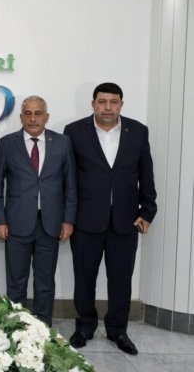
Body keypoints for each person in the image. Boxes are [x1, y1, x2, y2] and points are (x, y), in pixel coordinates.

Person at [65, 82, 157, 355]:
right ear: (93, 104)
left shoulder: (138, 131)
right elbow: (67, 178)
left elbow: (146, 173)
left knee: (121, 280)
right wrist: (67, 217)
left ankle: (118, 330)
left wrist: (147, 212)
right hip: (85, 220)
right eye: (102, 102)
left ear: (121, 104)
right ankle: (85, 327)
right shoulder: (74, 131)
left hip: (125, 221)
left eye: (113, 102)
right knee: (84, 278)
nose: (107, 107)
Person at [0, 96, 77, 326]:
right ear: (21, 117)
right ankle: (15, 327)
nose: (32, 118)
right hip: (16, 223)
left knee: (45, 282)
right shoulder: (7, 144)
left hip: (51, 223)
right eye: (27, 113)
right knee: (16, 282)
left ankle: (42, 328)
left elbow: (71, 184)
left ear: (46, 117)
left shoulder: (62, 143)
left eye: (38, 113)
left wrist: (68, 219)